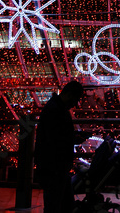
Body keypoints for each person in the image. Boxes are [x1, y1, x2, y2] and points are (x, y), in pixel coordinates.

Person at [34, 81, 86, 213]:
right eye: (76, 99)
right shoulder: (57, 110)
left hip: (54, 167)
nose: (76, 103)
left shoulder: (54, 108)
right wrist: (73, 139)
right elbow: (56, 139)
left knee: (58, 203)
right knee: (57, 204)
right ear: (69, 95)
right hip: (55, 167)